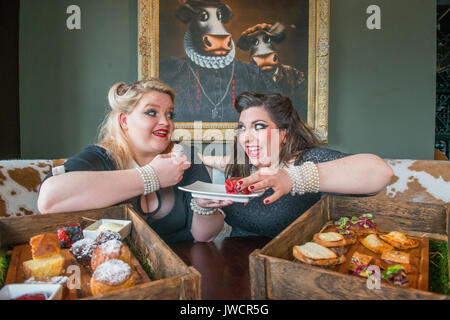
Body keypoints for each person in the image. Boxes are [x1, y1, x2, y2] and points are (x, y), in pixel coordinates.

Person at [38, 78, 231, 243]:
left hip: (182, 270)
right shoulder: (101, 157)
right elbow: (49, 200)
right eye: (151, 112)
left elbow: (204, 236)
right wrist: (151, 176)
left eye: (169, 114)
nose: (165, 122)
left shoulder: (185, 156)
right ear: (124, 121)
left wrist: (202, 207)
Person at [200, 92, 394, 238]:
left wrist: (292, 178)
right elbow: (219, 162)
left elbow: (380, 172)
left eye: (259, 127)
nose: (246, 137)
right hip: (236, 268)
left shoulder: (308, 160)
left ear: (283, 134)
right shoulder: (241, 166)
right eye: (242, 128)